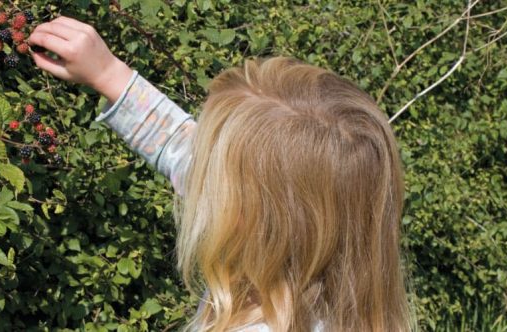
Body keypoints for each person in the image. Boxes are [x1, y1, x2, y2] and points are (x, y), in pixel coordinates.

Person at [28, 16, 413, 332]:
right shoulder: (334, 285)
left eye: (210, 173)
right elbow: (181, 147)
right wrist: (110, 75)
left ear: (247, 219)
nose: (196, 170)